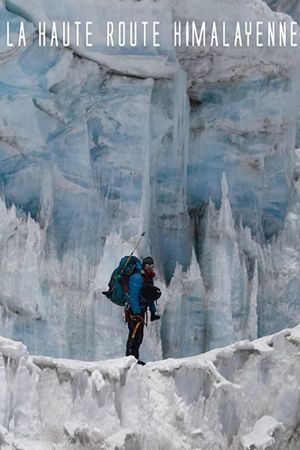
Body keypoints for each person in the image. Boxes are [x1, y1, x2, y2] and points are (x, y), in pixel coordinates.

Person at [125, 256, 160, 365]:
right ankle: (129, 359)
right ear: (144, 265)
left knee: (139, 336)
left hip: (141, 310)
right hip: (133, 311)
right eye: (148, 265)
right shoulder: (137, 278)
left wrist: (153, 312)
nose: (150, 267)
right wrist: (136, 313)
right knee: (134, 334)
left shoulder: (148, 278)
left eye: (152, 265)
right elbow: (133, 297)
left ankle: (135, 359)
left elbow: (149, 296)